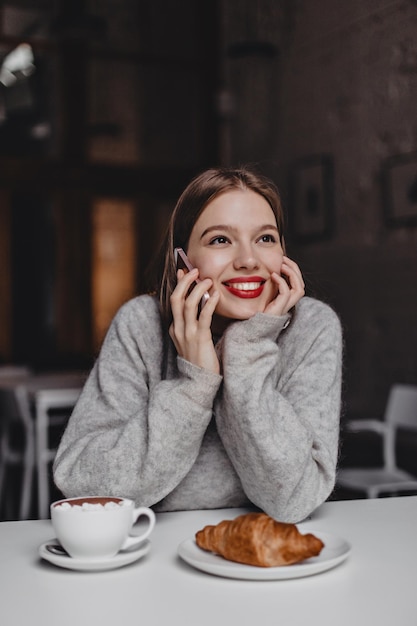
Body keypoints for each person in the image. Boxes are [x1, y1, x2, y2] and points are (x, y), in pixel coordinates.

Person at [53, 166, 343, 523]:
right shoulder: (140, 323)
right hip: (150, 549)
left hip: (265, 558)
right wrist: (194, 386)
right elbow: (82, 486)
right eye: (220, 240)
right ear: (182, 261)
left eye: (265, 238)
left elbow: (295, 499)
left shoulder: (312, 327)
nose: (248, 260)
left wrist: (249, 347)